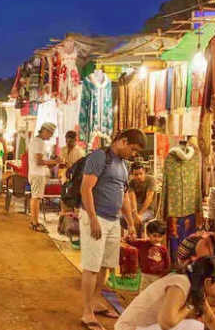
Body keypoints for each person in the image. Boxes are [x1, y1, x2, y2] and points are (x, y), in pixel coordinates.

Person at [80, 128, 146, 330]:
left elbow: (124, 195)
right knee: (91, 266)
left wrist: (129, 221)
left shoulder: (124, 165)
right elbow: (86, 189)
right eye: (133, 149)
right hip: (96, 217)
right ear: (123, 141)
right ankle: (87, 311)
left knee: (105, 264)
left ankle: (97, 300)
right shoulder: (100, 156)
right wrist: (92, 219)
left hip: (113, 220)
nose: (133, 155)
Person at [114, 256, 215, 330]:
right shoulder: (181, 283)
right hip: (129, 328)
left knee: (195, 326)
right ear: (208, 282)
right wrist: (190, 305)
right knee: (194, 326)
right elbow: (167, 323)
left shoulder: (195, 287)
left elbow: (210, 319)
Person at [27, 122, 62, 233]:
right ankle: (35, 223)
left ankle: (33, 221)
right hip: (37, 174)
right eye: (50, 133)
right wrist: (55, 161)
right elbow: (39, 161)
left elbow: (39, 161)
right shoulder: (40, 142)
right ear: (45, 131)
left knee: (34, 197)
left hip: (34, 173)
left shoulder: (34, 141)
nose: (51, 136)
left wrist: (52, 163)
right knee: (36, 198)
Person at [126, 220, 170, 289]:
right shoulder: (143, 243)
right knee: (143, 293)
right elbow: (129, 241)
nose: (157, 239)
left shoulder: (163, 249)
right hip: (145, 276)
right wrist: (131, 235)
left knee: (156, 294)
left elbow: (167, 263)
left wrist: (166, 275)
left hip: (158, 277)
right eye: (154, 236)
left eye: (160, 236)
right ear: (149, 233)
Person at [127, 162, 156, 236]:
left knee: (136, 220)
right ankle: (135, 236)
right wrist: (135, 213)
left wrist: (140, 214)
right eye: (136, 174)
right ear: (132, 174)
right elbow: (132, 199)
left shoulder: (151, 180)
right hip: (135, 209)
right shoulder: (131, 182)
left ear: (144, 171)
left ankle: (138, 239)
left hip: (148, 210)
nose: (139, 176)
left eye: (141, 173)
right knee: (121, 218)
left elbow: (149, 198)